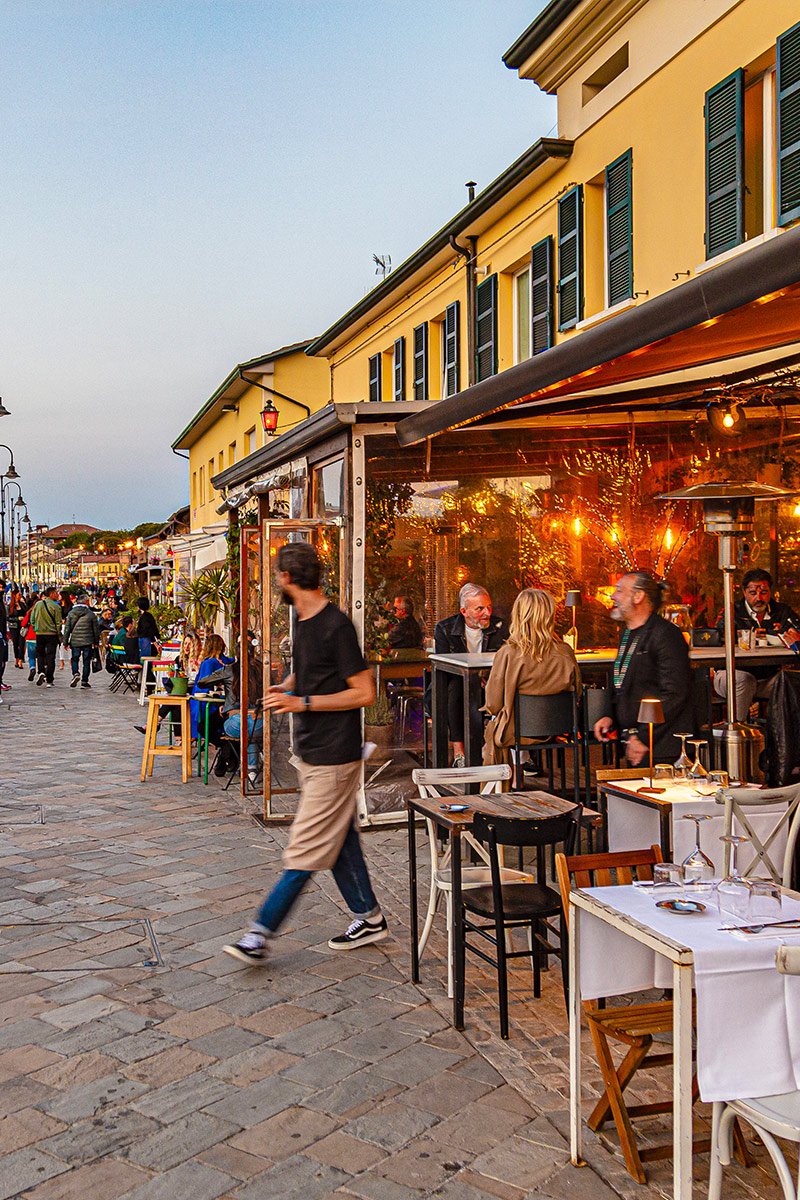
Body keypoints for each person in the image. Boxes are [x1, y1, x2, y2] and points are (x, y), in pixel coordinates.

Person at [223, 542, 386, 964]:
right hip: (313, 751)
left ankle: (259, 934)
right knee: (339, 838)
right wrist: (290, 685)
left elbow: (364, 692)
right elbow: (315, 671)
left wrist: (304, 704)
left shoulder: (336, 625)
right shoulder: (301, 618)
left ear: (288, 579)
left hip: (336, 754)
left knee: (306, 847)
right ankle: (368, 916)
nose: (274, 580)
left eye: (277, 574)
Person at [593, 570, 693, 766]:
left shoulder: (665, 635)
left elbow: (674, 693)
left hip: (663, 746)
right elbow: (621, 680)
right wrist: (608, 714)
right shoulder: (628, 633)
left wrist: (644, 737)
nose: (613, 596)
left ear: (638, 596)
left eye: (620, 591)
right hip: (637, 742)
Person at [483, 588, 581, 769]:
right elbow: (578, 692)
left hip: (517, 732)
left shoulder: (508, 653)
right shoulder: (566, 652)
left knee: (498, 723)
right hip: (559, 729)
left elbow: (493, 703)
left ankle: (510, 779)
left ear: (519, 616)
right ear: (550, 616)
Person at [434, 582, 509, 766]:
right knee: (455, 689)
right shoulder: (445, 629)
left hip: (490, 684)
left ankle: (512, 753)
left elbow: (507, 660)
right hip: (455, 684)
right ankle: (459, 751)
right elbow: (445, 667)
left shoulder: (500, 626)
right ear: (464, 611)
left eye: (489, 607)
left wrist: (486, 677)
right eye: (480, 608)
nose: (487, 613)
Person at [713, 568, 800, 721]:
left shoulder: (781, 611)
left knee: (789, 681)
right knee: (743, 680)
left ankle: (782, 737)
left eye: (764, 592)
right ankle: (737, 731)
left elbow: (796, 631)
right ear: (744, 592)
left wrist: (794, 637)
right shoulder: (732, 611)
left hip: (767, 678)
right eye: (753, 593)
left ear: (770, 591)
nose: (759, 598)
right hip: (732, 674)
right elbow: (718, 638)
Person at [63, 592, 101, 689]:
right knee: (86, 661)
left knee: (75, 658)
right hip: (88, 641)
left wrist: (65, 642)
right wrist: (96, 642)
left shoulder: (71, 614)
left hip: (75, 641)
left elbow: (67, 629)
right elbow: (96, 630)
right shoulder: (91, 614)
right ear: (86, 603)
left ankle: (76, 673)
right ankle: (84, 681)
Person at [30, 587, 63, 688]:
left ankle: (41, 671)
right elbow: (58, 623)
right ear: (52, 594)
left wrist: (36, 628)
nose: (58, 595)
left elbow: (32, 619)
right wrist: (58, 633)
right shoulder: (56, 607)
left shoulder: (38, 604)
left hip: (40, 633)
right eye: (56, 593)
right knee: (51, 656)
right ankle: (49, 680)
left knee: (40, 654)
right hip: (52, 634)